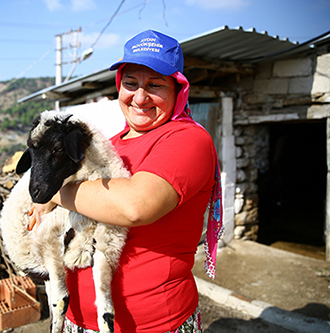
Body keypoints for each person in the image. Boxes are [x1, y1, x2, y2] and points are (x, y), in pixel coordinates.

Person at [32, 29, 223, 333]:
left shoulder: (188, 139)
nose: (140, 97)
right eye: (131, 83)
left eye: (155, 85)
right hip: (80, 320)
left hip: (153, 324)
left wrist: (55, 193)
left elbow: (136, 205)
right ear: (119, 86)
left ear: (178, 89)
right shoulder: (107, 146)